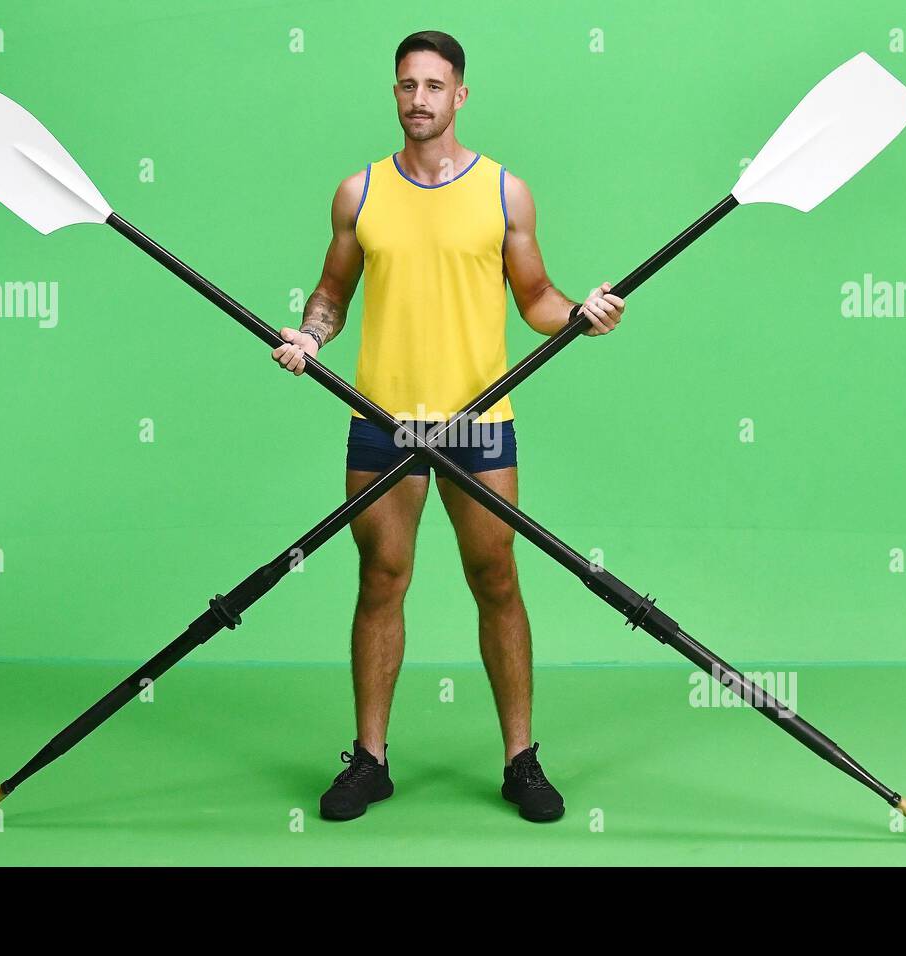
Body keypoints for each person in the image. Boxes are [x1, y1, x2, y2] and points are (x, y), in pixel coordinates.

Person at [270, 30, 625, 822]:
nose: (419, 98)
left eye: (434, 85)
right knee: (381, 578)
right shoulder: (358, 193)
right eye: (406, 85)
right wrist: (310, 335)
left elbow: (534, 297)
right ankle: (369, 759)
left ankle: (521, 761)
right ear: (394, 94)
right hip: (382, 417)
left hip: (477, 419)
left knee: (496, 578)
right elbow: (331, 291)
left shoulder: (506, 192)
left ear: (460, 95)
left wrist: (578, 314)